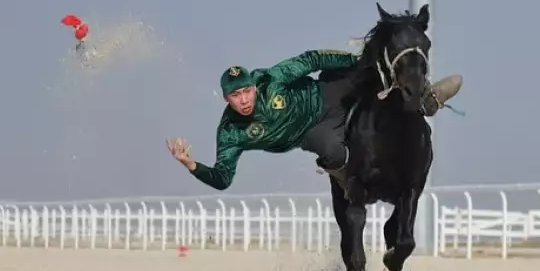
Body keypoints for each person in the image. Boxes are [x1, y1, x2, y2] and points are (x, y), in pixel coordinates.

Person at [165, 49, 463, 191]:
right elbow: (222, 179)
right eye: (235, 96)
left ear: (254, 87)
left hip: (325, 95)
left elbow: (311, 60)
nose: (243, 100)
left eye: (246, 92)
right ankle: (348, 181)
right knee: (332, 153)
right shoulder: (231, 133)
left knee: (371, 75)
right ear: (225, 99)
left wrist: (357, 63)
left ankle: (427, 97)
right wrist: (189, 164)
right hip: (310, 131)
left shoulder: (271, 79)